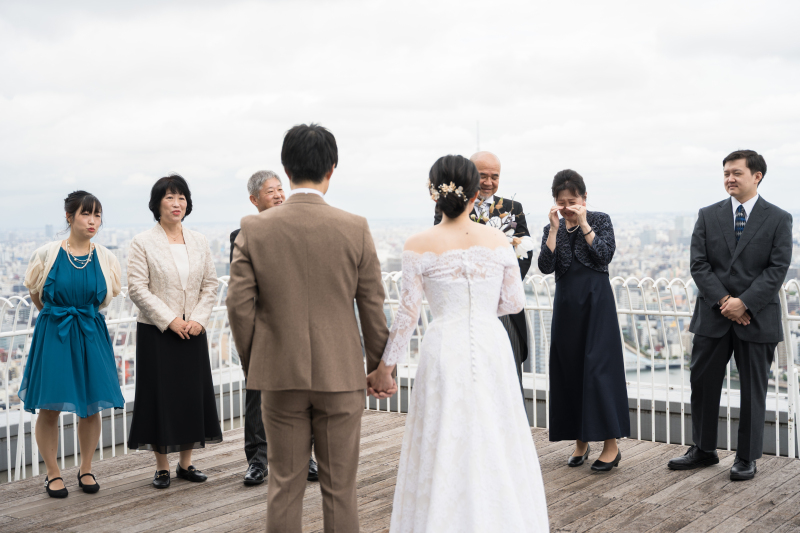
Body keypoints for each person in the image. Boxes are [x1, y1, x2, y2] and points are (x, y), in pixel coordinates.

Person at [370, 155, 549, 532]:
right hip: (491, 343)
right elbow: (513, 303)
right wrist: (481, 308)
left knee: (443, 435)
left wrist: (386, 367)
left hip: (443, 345)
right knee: (497, 430)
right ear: (472, 192)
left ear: (434, 193)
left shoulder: (418, 243)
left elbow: (407, 315)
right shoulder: (498, 239)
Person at [227, 124, 390, 533]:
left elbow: (238, 306)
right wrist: (378, 366)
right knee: (340, 489)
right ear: (331, 169)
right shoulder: (355, 227)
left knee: (284, 485)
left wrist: (257, 362)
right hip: (341, 375)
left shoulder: (254, 228)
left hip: (280, 376)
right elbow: (371, 303)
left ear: (286, 167)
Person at [667, 150, 792, 481]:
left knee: (753, 389)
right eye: (726, 173)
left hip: (756, 317)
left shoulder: (779, 218)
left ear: (757, 176)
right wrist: (726, 301)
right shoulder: (708, 215)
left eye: (737, 173)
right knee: (703, 383)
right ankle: (704, 449)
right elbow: (698, 264)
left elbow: (777, 269)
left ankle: (747, 457)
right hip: (714, 314)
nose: (729, 179)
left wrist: (744, 303)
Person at [19, 191, 125, 498]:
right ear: (69, 217)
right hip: (55, 332)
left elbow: (106, 297)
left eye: (97, 216)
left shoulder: (106, 257)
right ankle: (53, 473)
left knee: (92, 407)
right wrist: (57, 316)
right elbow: (37, 295)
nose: (93, 222)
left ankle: (86, 467)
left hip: (91, 332)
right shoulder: (46, 254)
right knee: (50, 406)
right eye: (85, 214)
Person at [126, 174, 223, 489]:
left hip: (193, 330)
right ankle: (162, 467)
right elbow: (137, 288)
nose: (176, 203)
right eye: (169, 197)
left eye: (181, 197)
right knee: (159, 397)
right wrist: (170, 320)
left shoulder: (199, 240)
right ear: (157, 204)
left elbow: (211, 284)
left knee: (190, 397)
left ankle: (186, 463)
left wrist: (197, 318)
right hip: (158, 332)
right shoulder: (142, 242)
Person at [229, 170, 318, 486]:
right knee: (257, 395)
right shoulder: (241, 236)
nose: (279, 195)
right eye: (271, 191)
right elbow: (244, 289)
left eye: (281, 189)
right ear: (254, 200)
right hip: (261, 328)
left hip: (298, 326)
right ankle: (257, 461)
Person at [537, 170, 630, 471]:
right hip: (566, 306)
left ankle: (611, 445)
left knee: (599, 371)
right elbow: (545, 266)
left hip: (596, 304)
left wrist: (585, 223)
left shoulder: (600, 220)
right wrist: (553, 230)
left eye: (572, 201)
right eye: (561, 202)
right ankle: (580, 441)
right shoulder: (553, 227)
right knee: (570, 369)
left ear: (584, 198)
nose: (566, 207)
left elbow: (603, 255)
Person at [434, 151, 532, 394]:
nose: (489, 182)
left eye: (495, 176)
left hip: (504, 306)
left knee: (508, 379)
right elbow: (444, 251)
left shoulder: (513, 208)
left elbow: (525, 255)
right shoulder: (449, 208)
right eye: (483, 176)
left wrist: (497, 285)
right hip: (465, 307)